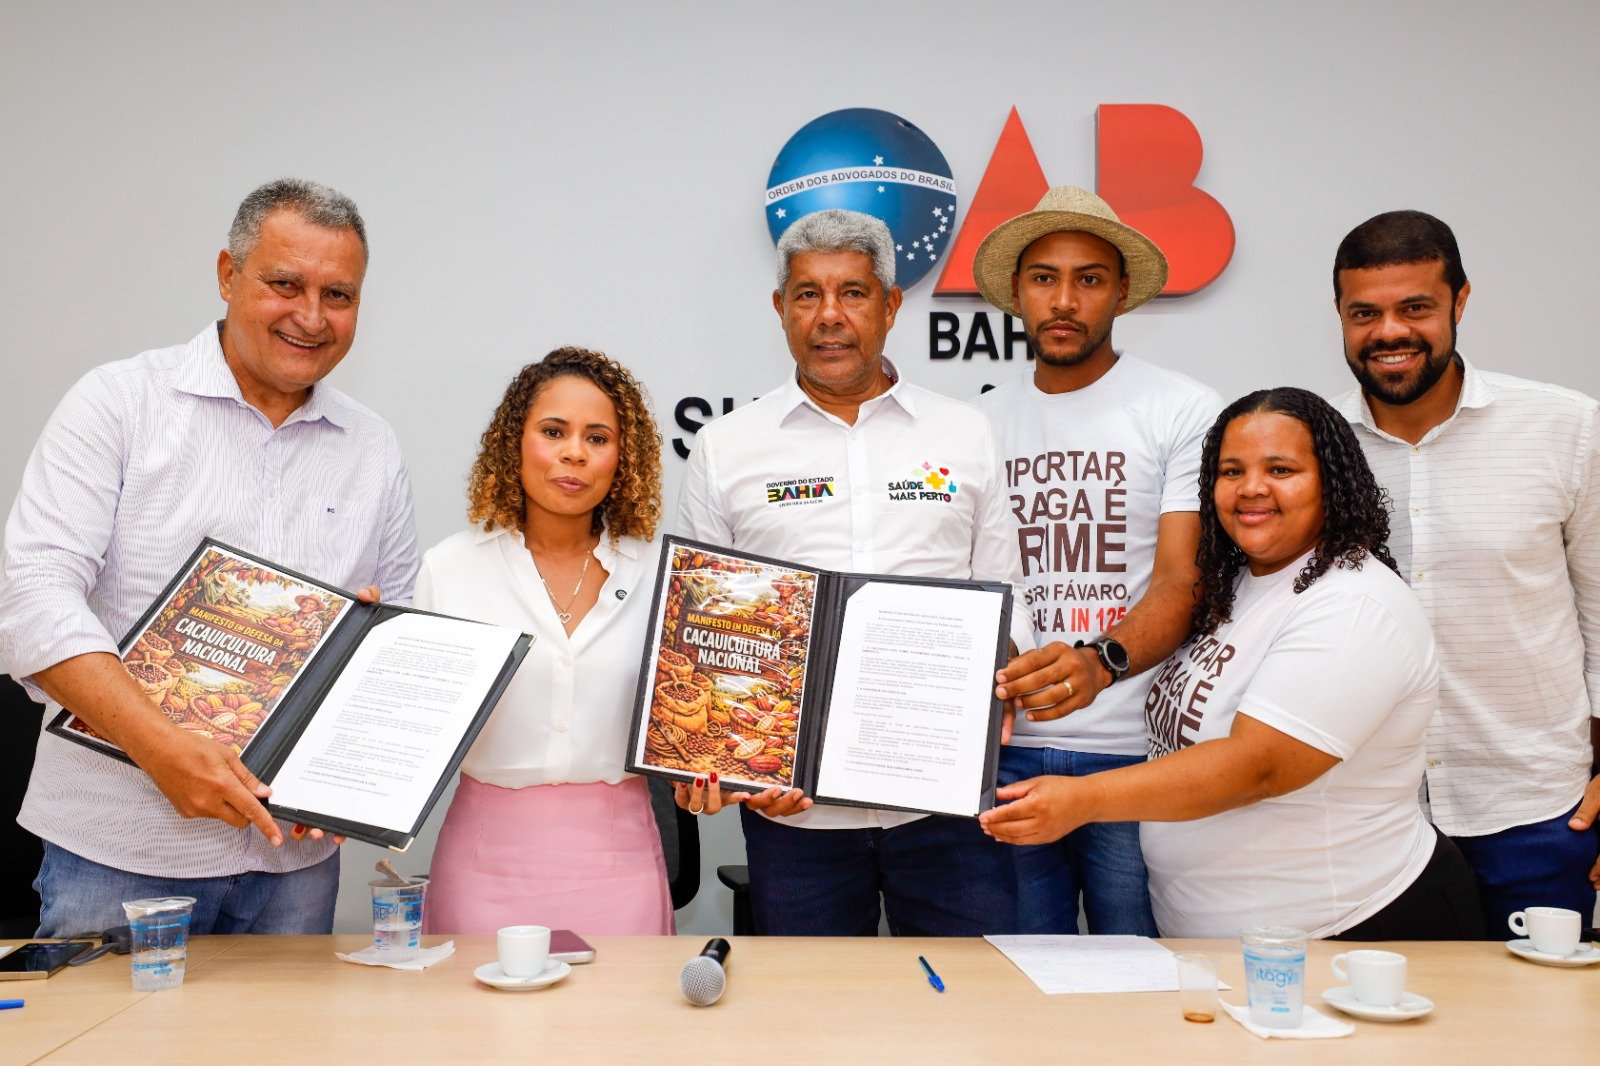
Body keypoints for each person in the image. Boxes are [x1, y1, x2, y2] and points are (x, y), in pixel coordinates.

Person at [0, 179, 418, 936]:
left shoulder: (374, 447)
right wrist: (160, 748)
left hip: (292, 863)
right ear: (229, 275)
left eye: (339, 295)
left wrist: (360, 767)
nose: (311, 317)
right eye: (285, 284)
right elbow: (30, 596)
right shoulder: (118, 404)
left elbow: (397, 628)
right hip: (118, 850)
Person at [980, 388, 1485, 939]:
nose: (1251, 488)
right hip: (1237, 948)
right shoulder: (1242, 585)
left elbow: (1259, 764)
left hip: (1350, 933)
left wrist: (1082, 799)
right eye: (1231, 470)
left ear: (1331, 482)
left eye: (1281, 469)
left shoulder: (1355, 603)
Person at [675, 208, 1027, 937]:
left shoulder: (964, 433)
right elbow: (705, 635)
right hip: (797, 812)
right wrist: (730, 763)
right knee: (809, 1027)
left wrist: (1005, 681)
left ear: (892, 305)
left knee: (966, 1015)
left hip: (948, 802)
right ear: (780, 309)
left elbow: (1005, 591)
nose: (829, 317)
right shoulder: (726, 447)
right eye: (807, 295)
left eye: (853, 293)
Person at [1331, 210, 1600, 928]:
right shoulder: (1314, 451)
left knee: (1548, 1033)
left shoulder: (1568, 429)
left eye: (1414, 307)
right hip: (1372, 823)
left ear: (1460, 301)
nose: (1390, 332)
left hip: (1537, 809)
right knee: (1393, 1038)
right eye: (1365, 313)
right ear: (1340, 316)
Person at [971, 186, 1221, 934]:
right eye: (1045, 277)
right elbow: (966, 586)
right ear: (1018, 291)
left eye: (1089, 279)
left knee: (1144, 975)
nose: (1065, 299)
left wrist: (1098, 661)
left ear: (1120, 293)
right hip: (1009, 754)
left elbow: (1184, 580)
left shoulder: (1183, 409)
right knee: (1021, 977)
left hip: (1141, 756)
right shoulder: (975, 423)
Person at [416, 348, 694, 935]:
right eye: (553, 431)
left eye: (597, 437)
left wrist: (704, 777)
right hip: (484, 871)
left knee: (618, 1027)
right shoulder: (449, 570)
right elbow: (408, 732)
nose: (574, 452)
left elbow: (689, 728)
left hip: (622, 874)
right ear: (514, 443)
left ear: (623, 459)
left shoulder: (666, 578)